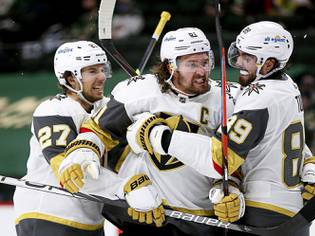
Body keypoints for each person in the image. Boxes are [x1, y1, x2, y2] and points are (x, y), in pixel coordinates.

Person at [130, 21, 315, 236]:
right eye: (240, 54)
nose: (239, 62)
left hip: (264, 214)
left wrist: (160, 137)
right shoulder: (287, 85)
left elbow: (219, 160)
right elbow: (275, 138)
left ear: (269, 64)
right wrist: (311, 162)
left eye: (248, 58)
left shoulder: (259, 99)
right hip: (293, 211)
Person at [61, 27, 241, 235]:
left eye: (205, 62)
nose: (202, 71)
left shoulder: (227, 99)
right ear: (170, 66)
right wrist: (83, 152)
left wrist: (230, 189)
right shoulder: (140, 90)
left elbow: (233, 159)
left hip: (199, 220)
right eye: (192, 64)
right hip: (144, 214)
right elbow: (99, 130)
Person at [13, 41, 110, 236]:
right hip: (47, 214)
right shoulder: (55, 109)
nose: (101, 77)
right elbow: (69, 171)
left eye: (102, 69)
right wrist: (127, 189)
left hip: (90, 218)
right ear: (70, 78)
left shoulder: (105, 108)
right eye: (92, 71)